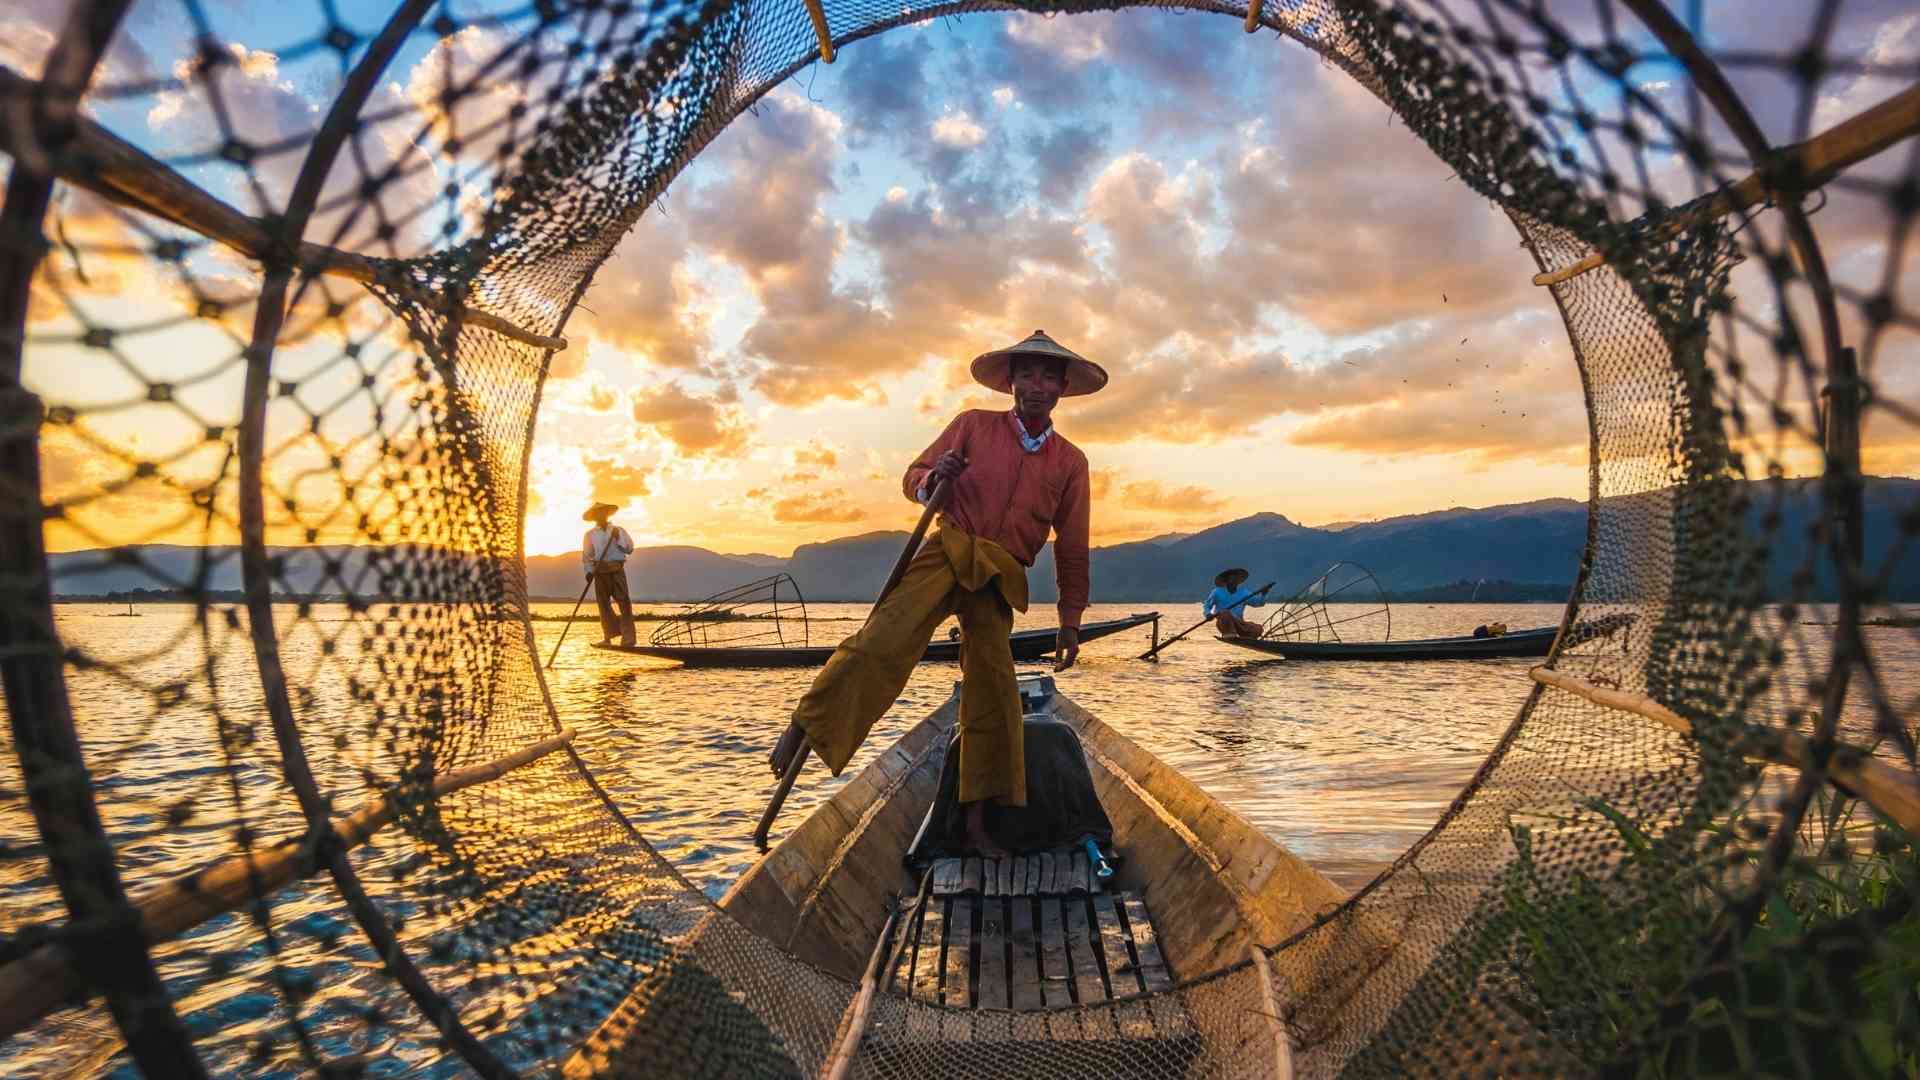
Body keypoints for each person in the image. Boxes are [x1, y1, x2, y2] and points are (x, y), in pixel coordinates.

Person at [770, 330, 1106, 857]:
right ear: (1012, 382)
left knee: (994, 694)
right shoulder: (973, 425)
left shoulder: (1070, 462)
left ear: (1062, 388)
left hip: (999, 574)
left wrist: (1070, 618)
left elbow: (1073, 546)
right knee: (885, 640)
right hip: (947, 547)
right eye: (1027, 374)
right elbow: (914, 476)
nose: (1036, 386)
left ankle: (976, 825)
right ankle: (807, 722)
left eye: (1048, 376)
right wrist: (934, 479)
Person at [581, 502, 636, 647]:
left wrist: (618, 538)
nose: (600, 515)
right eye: (597, 513)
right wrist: (588, 572)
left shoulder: (618, 530)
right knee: (603, 604)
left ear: (607, 514)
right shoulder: (590, 535)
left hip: (617, 570)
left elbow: (629, 549)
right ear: (594, 517)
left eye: (603, 512)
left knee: (624, 603)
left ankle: (628, 639)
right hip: (600, 571)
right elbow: (587, 556)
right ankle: (608, 637)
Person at [1204, 568, 1272, 638]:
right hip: (1224, 622)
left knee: (1258, 629)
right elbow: (1207, 604)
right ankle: (1229, 634)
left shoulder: (1243, 592)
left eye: (1236, 578)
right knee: (1225, 613)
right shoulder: (1217, 592)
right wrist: (1208, 614)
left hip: (1239, 623)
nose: (1234, 580)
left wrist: (1264, 594)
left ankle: (1245, 636)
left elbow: (1258, 603)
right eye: (1232, 578)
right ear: (1226, 580)